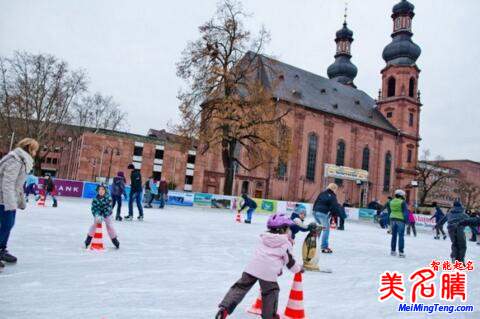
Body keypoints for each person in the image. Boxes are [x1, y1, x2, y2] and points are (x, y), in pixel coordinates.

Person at [215, 213, 303, 319]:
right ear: (283, 229)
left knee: (240, 287)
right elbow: (290, 262)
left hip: (252, 268)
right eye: (288, 228)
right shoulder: (285, 243)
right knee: (271, 292)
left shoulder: (263, 237)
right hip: (268, 273)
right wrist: (298, 269)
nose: (290, 231)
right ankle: (269, 317)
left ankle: (224, 309)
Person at [0, 138, 39, 267]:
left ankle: (1, 249)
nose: (35, 152)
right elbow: (8, 183)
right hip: (3, 199)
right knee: (6, 224)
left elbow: (18, 185)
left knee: (9, 224)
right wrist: (10, 203)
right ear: (29, 148)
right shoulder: (15, 160)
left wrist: (20, 200)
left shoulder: (21, 160)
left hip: (9, 199)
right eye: (34, 150)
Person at [312, 183, 345, 254]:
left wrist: (314, 210)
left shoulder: (322, 193)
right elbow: (335, 207)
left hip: (315, 212)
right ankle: (324, 247)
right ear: (334, 189)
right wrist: (335, 214)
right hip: (322, 213)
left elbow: (316, 202)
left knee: (318, 228)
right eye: (336, 189)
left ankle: (313, 244)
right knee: (326, 229)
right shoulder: (332, 196)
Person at [84, 185, 120, 249]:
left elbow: (108, 208)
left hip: (107, 214)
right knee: (94, 225)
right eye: (99, 189)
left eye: (103, 189)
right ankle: (88, 240)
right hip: (98, 214)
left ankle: (115, 240)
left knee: (109, 226)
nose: (101, 191)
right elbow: (94, 208)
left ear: (105, 191)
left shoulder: (108, 198)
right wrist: (97, 215)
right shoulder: (95, 199)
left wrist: (103, 216)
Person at [386, 189, 409, 258]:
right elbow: (405, 212)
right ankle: (401, 252)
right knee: (401, 236)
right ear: (401, 195)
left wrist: (390, 218)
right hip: (400, 220)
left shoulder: (391, 202)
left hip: (392, 219)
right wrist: (406, 221)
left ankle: (393, 251)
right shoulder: (403, 202)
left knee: (394, 236)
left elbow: (389, 211)